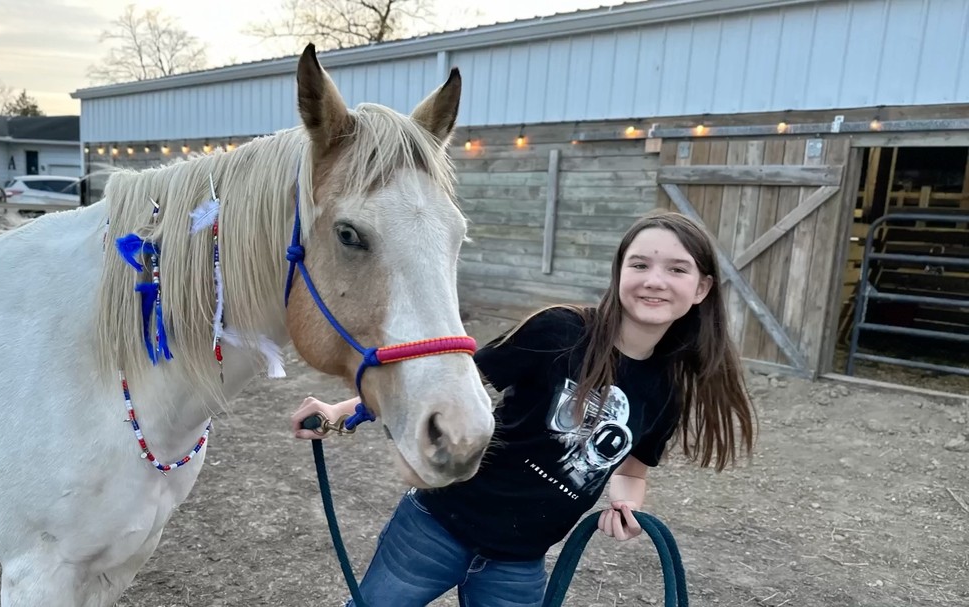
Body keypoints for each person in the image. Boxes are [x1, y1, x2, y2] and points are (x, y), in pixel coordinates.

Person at [291, 210, 758, 607]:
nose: (654, 280)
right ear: (619, 274)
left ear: (701, 289)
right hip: (434, 530)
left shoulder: (668, 391)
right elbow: (453, 385)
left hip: (519, 562)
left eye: (677, 269)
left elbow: (632, 471)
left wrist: (625, 502)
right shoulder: (560, 331)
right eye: (640, 264)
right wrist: (343, 411)